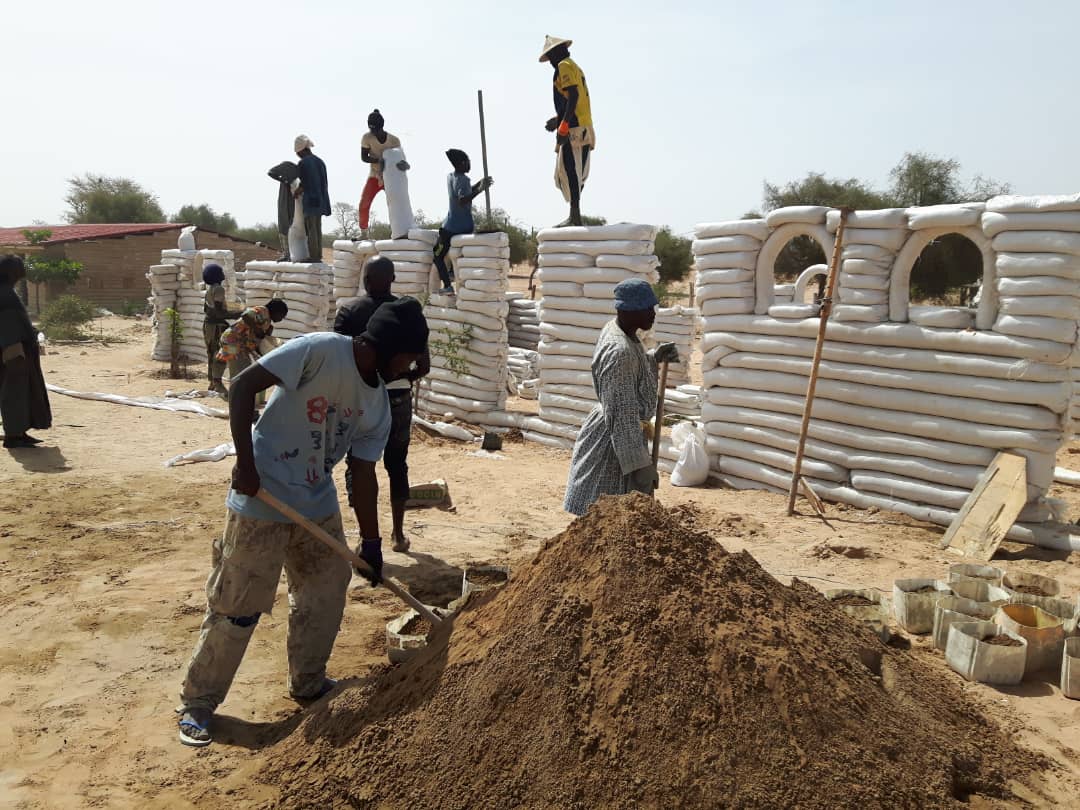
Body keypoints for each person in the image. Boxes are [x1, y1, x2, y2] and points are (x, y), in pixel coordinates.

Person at [177, 297, 430, 747]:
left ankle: (308, 682)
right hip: (261, 496)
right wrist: (247, 464)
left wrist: (371, 543)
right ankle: (198, 703)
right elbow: (242, 388)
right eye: (410, 358)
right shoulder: (319, 351)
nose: (412, 368)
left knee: (326, 592)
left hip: (316, 502)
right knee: (238, 606)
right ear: (388, 347)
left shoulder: (379, 406)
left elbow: (363, 472)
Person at [334, 257, 430, 552]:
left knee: (360, 464)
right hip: (398, 398)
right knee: (397, 465)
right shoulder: (407, 315)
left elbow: (342, 357)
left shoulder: (349, 310)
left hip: (361, 399)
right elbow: (424, 365)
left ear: (367, 279)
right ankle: (398, 535)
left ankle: (366, 535)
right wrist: (403, 376)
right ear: (392, 277)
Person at [563, 278, 679, 515]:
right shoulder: (620, 353)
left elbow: (629, 372)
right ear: (628, 311)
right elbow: (623, 414)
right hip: (615, 444)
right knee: (607, 516)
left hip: (617, 431)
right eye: (647, 308)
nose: (653, 314)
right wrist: (639, 465)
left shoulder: (620, 331)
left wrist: (653, 358)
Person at [539, 35, 595, 227]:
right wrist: (558, 119)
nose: (551, 62)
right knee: (573, 171)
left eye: (551, 56)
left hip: (575, 129)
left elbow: (574, 95)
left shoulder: (563, 65)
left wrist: (563, 125)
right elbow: (573, 99)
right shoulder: (574, 66)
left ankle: (575, 215)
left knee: (571, 169)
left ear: (556, 52)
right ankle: (575, 213)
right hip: (583, 126)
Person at [0, 255, 51, 449]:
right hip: (13, 352)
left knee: (22, 392)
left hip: (18, 350)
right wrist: (15, 353)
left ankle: (20, 432)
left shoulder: (7, 292)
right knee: (13, 393)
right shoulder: (4, 294)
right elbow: (7, 326)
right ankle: (13, 436)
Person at [431, 149, 494, 294]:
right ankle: (450, 279)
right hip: (460, 227)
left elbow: (464, 192)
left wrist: (479, 185)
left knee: (437, 256)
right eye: (467, 161)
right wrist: (479, 189)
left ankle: (448, 283)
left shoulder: (450, 177)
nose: (469, 164)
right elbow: (462, 200)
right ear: (461, 163)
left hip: (450, 227)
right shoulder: (463, 180)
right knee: (440, 255)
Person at [216, 299, 289, 390]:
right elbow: (246, 316)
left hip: (241, 345)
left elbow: (260, 342)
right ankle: (235, 397)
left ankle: (237, 394)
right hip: (234, 341)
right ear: (276, 311)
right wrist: (257, 329)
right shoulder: (262, 310)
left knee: (244, 369)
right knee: (239, 371)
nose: (281, 319)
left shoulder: (268, 323)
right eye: (282, 316)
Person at [359, 110, 409, 238]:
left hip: (391, 178)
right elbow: (364, 157)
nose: (373, 133)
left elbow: (400, 158)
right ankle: (364, 232)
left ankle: (399, 230)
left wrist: (405, 165)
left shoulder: (394, 140)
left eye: (375, 130)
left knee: (395, 203)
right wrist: (377, 160)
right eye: (371, 130)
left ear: (382, 126)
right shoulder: (367, 138)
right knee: (364, 203)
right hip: (375, 175)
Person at [202, 263, 241, 396]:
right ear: (217, 275)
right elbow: (219, 313)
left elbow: (207, 310)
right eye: (221, 272)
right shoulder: (218, 289)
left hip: (208, 326)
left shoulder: (209, 289)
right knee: (220, 354)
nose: (223, 274)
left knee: (211, 353)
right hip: (216, 327)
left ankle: (212, 382)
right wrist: (238, 314)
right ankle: (217, 383)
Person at [294, 135, 330, 262]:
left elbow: (304, 183)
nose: (298, 156)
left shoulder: (303, 163)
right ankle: (318, 255)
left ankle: (314, 256)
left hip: (311, 200)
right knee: (317, 228)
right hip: (321, 200)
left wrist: (297, 192)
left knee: (311, 229)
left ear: (303, 150)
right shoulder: (320, 161)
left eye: (298, 153)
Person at [267, 160, 300, 261]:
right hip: (288, 198)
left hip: (293, 199)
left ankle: (290, 254)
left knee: (289, 225)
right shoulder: (290, 166)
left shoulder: (297, 169)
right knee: (286, 225)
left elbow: (271, 172)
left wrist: (283, 181)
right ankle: (288, 254)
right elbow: (271, 172)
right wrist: (284, 181)